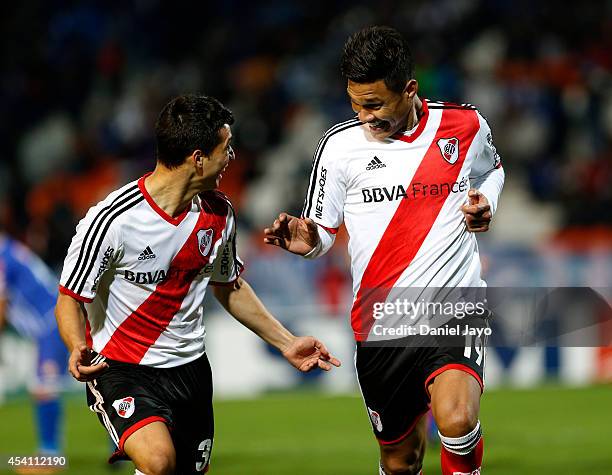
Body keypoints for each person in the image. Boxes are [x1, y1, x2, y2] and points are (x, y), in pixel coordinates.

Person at [55, 94, 340, 475]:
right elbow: (70, 296)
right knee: (158, 462)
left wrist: (287, 342)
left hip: (189, 371)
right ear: (198, 157)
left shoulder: (218, 213)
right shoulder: (112, 221)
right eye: (226, 148)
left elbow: (228, 286)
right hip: (123, 367)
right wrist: (77, 346)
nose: (232, 157)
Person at [264, 26, 504, 475]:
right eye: (355, 103)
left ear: (409, 89)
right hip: (381, 323)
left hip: (455, 308)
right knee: (400, 460)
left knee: (457, 419)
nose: (364, 116)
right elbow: (322, 232)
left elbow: (493, 170)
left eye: (374, 104)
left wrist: (486, 200)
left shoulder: (464, 125)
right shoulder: (339, 147)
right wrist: (307, 239)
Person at [0, 232, 67, 455]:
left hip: (51, 322)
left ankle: (49, 454)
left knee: (44, 387)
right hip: (53, 320)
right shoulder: (9, 249)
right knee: (45, 386)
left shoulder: (2, 257)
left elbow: (1, 304)